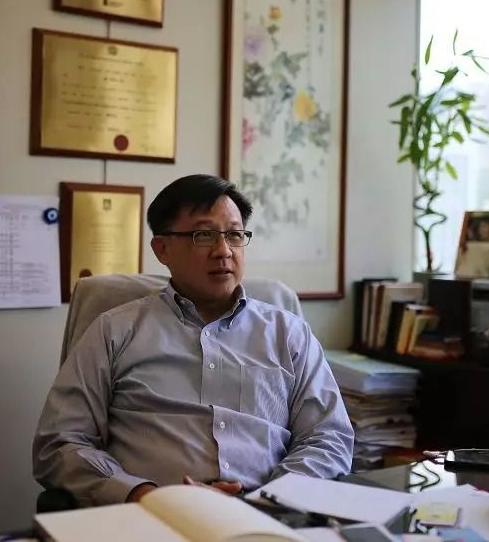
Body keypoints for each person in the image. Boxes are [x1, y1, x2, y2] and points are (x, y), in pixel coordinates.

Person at [33, 174, 354, 507]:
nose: (223, 251)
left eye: (234, 235)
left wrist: (267, 500)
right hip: (148, 516)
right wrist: (142, 494)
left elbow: (328, 438)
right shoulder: (114, 332)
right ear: (162, 249)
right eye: (204, 235)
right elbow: (59, 444)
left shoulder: (289, 335)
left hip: (266, 514)